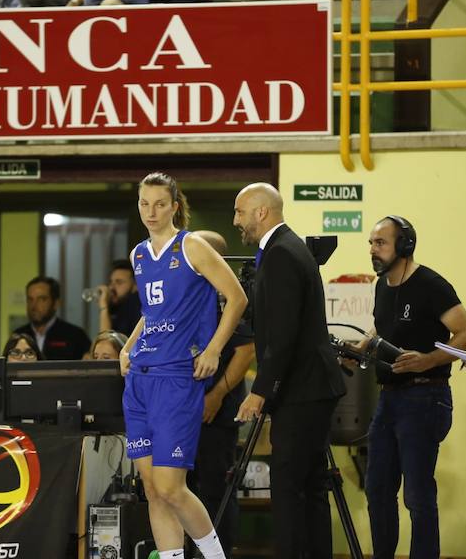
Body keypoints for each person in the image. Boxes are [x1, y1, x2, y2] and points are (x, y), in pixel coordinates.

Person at [119, 172, 246, 559]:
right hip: (139, 378)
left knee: (173, 487)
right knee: (152, 488)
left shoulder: (191, 246)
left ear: (175, 206)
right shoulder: (138, 254)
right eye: (144, 203)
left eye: (160, 203)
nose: (151, 211)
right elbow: (152, 312)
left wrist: (212, 350)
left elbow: (237, 298)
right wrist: (128, 345)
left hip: (176, 378)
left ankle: (215, 556)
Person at [232, 183, 346, 559]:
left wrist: (261, 390)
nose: (237, 221)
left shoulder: (281, 254)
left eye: (240, 212)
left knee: (290, 489)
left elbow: (282, 335)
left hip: (302, 391)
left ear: (261, 212)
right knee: (309, 488)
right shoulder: (290, 248)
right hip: (311, 388)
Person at [362, 215, 466, 559]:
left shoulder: (431, 284)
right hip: (389, 398)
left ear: (405, 245)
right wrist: (361, 346)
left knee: (416, 494)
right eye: (371, 243)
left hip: (425, 396)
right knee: (378, 488)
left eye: (380, 243)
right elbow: (381, 331)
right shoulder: (382, 286)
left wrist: (427, 360)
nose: (373, 250)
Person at [187, 230, 255, 559]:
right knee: (180, 491)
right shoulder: (185, 294)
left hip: (216, 412)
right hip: (180, 410)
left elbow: (246, 351)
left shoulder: (229, 296)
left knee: (216, 492)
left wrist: (215, 396)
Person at [14, 276, 90, 361]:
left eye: (42, 299)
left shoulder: (75, 336)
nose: (34, 305)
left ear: (56, 303)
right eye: (30, 299)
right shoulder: (18, 335)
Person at [96, 259, 142, 337]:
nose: (111, 287)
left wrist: (104, 307)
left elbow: (106, 342)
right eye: (111, 282)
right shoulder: (120, 307)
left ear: (136, 285)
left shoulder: (134, 304)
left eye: (119, 282)